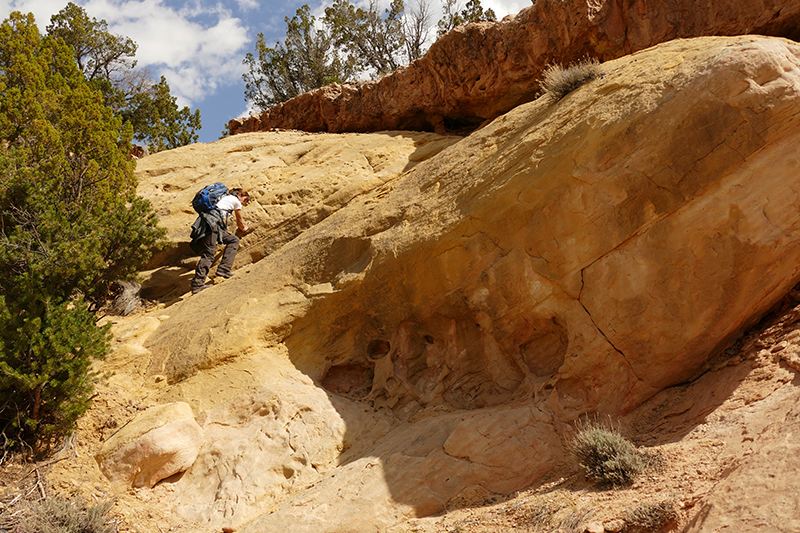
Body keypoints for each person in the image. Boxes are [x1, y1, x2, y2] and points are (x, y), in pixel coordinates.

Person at [190, 188, 251, 294]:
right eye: (244, 200)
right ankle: (197, 284)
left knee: (233, 240)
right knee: (209, 254)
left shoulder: (223, 198)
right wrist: (244, 228)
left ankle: (224, 269)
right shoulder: (235, 201)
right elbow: (240, 224)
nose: (243, 203)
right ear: (240, 195)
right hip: (211, 224)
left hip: (210, 224)